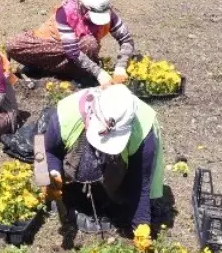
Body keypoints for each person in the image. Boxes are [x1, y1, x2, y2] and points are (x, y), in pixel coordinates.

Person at [32, 84, 164, 233]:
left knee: (125, 199)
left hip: (120, 166)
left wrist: (141, 228)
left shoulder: (144, 133)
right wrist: (53, 173)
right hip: (78, 146)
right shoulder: (66, 114)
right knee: (61, 169)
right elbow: (49, 151)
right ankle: (77, 191)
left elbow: (140, 184)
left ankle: (110, 192)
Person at [5, 0, 134, 83]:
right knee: (13, 44)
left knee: (89, 44)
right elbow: (72, 51)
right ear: (84, 8)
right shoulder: (66, 12)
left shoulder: (108, 12)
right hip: (52, 45)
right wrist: (99, 72)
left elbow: (126, 39)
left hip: (76, 55)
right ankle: (51, 68)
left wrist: (121, 67)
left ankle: (63, 71)